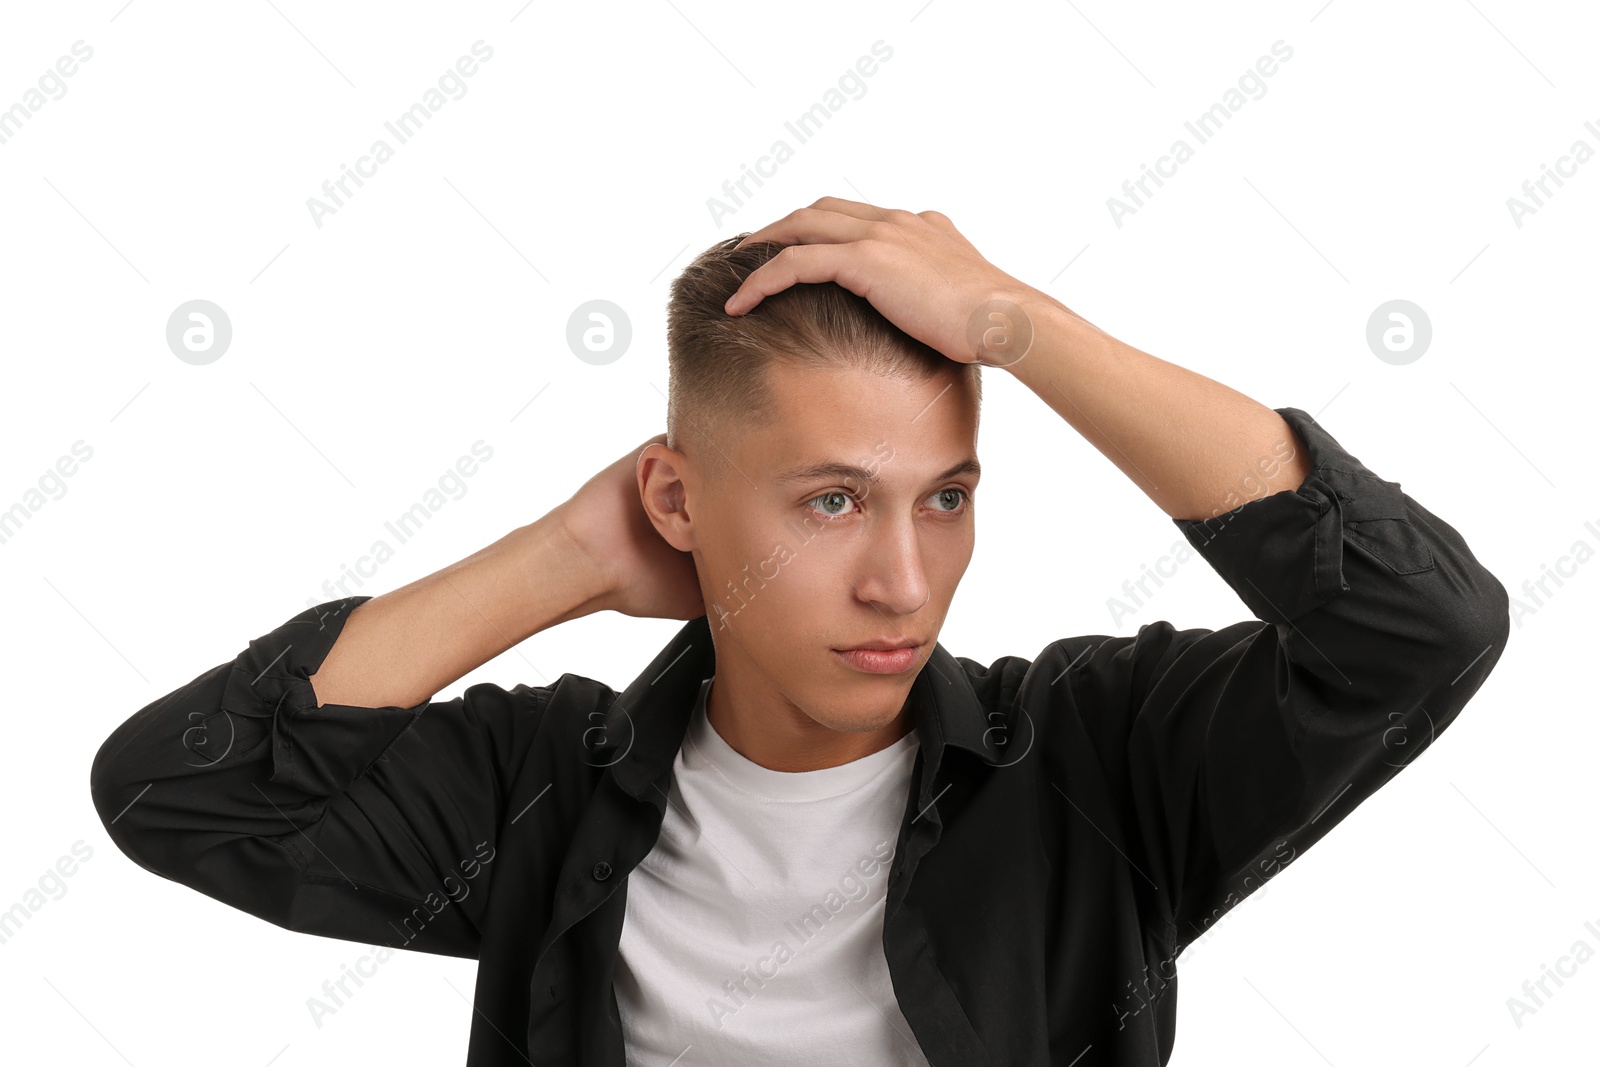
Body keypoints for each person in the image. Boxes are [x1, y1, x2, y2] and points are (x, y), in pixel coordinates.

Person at [90, 198, 1511, 1065]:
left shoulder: (1100, 766)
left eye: (944, 498)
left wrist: (1022, 329)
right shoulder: (540, 794)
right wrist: (567, 555)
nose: (905, 579)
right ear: (678, 496)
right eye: (834, 500)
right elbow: (182, 796)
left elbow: (1420, 630)